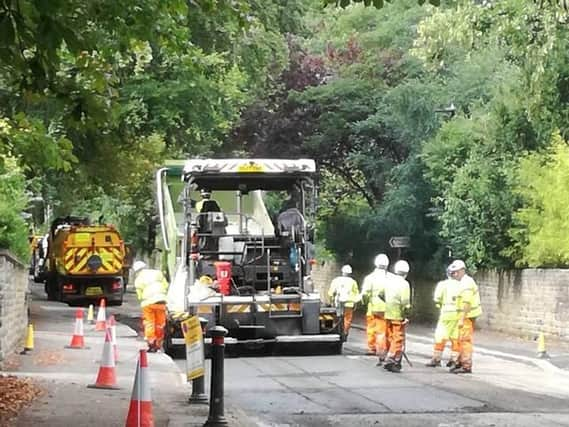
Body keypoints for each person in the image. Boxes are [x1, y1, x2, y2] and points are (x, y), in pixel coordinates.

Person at [448, 259, 482, 374]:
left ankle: (466, 365)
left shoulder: (467, 283)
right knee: (460, 340)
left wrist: (462, 318)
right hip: (464, 316)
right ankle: (460, 362)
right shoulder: (463, 282)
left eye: (456, 272)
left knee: (465, 340)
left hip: (467, 316)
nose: (454, 275)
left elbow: (466, 303)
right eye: (453, 273)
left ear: (462, 270)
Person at [426, 267, 461, 368]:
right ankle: (454, 359)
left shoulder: (443, 284)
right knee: (455, 336)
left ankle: (436, 358)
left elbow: (437, 299)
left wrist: (440, 305)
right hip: (457, 313)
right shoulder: (461, 285)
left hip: (446, 312)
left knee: (441, 336)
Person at [133, 261, 169, 353]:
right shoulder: (157, 273)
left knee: (149, 322)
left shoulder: (138, 280)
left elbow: (140, 295)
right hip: (161, 301)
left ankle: (151, 341)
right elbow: (166, 285)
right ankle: (158, 343)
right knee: (160, 324)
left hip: (148, 304)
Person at [382, 260, 411, 373]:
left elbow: (381, 294)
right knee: (398, 339)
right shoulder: (404, 284)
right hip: (397, 315)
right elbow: (405, 302)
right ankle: (392, 359)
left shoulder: (389, 281)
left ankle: (388, 355)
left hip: (387, 313)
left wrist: (389, 303)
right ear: (406, 272)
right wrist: (406, 316)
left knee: (390, 337)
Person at [361, 254, 391, 359]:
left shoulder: (370, 278)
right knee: (385, 329)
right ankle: (385, 348)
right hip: (388, 308)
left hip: (373, 308)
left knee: (372, 329)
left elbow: (365, 294)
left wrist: (365, 302)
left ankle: (373, 348)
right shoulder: (391, 278)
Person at [328, 265, 360, 338]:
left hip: (338, 303)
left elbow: (331, 292)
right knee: (347, 319)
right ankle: (345, 332)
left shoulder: (336, 280)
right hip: (349, 304)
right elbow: (356, 294)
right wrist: (355, 303)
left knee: (338, 317)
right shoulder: (353, 282)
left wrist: (331, 300)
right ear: (350, 273)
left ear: (342, 272)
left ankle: (337, 331)